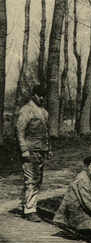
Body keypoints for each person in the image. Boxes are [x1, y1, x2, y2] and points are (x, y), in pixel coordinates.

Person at [16, 85, 50, 222]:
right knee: (31, 180)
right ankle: (30, 210)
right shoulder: (26, 110)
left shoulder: (44, 112)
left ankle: (24, 204)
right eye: (39, 95)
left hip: (41, 150)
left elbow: (46, 133)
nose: (41, 98)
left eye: (43, 96)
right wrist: (23, 149)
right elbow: (20, 131)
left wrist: (48, 149)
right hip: (30, 150)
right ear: (34, 95)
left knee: (37, 180)